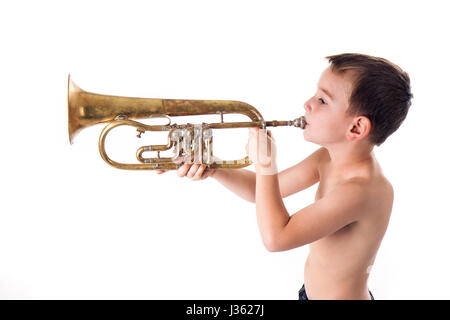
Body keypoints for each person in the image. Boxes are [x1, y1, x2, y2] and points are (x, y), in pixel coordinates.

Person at [156, 53, 413, 300]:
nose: (307, 104)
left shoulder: (360, 190)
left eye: (323, 100)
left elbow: (276, 238)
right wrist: (214, 168)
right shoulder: (327, 158)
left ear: (356, 127)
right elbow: (260, 191)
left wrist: (266, 164)